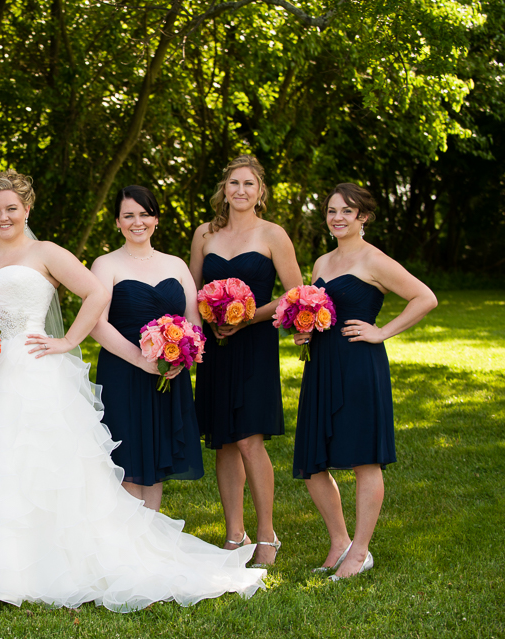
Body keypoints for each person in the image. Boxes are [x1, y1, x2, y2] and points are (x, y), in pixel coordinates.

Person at [0, 170, 265, 612]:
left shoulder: (47, 253)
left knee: (43, 467)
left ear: (27, 208)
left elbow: (94, 295)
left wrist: (67, 341)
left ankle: (51, 564)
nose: (3, 217)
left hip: (35, 368)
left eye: (11, 209)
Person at [293, 183, 436, 580]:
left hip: (359, 365)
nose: (337, 217)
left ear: (363, 217)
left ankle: (360, 552)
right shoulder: (322, 262)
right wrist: (304, 330)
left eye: (347, 211)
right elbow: (319, 309)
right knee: (312, 460)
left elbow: (425, 297)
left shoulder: (375, 260)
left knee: (363, 459)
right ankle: (339, 542)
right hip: (321, 365)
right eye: (332, 210)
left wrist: (381, 331)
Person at [188, 155, 302, 565]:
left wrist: (246, 317)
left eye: (248, 184)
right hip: (217, 347)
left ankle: (267, 536)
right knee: (223, 440)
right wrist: (206, 321)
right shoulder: (205, 234)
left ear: (260, 191)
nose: (240, 190)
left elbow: (295, 293)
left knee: (249, 438)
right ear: (224, 188)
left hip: (255, 345)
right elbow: (192, 289)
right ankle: (234, 534)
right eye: (234, 183)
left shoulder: (273, 234)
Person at [90, 185, 204, 511]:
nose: (137, 222)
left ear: (156, 218)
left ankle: (151, 541)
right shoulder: (105, 265)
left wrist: (184, 354)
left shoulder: (177, 265)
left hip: (169, 372)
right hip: (123, 370)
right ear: (117, 222)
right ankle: (130, 548)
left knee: (156, 461)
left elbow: (193, 321)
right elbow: (97, 324)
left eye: (144, 214)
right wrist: (140, 360)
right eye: (128, 216)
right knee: (128, 458)